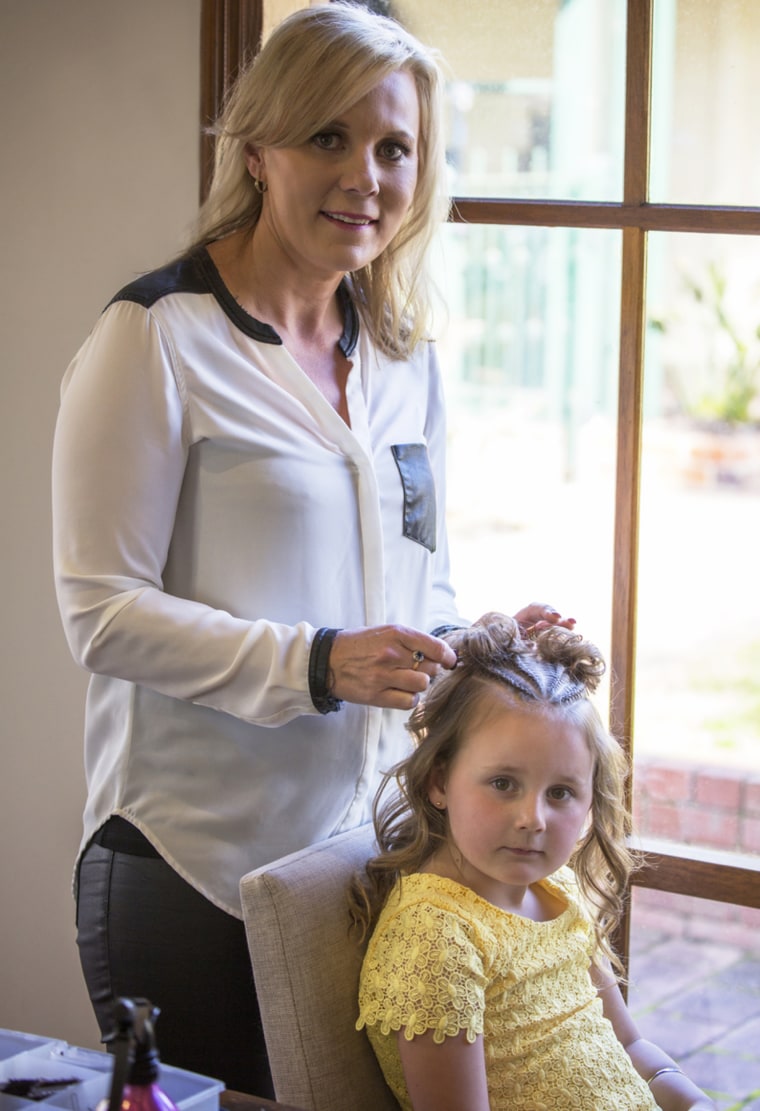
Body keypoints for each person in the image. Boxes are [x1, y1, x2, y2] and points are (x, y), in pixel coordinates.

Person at [52, 3, 574, 1097]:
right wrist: (315, 662)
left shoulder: (401, 359)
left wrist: (479, 642)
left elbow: (416, 584)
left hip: (361, 860)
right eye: (327, 138)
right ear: (258, 150)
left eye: (394, 147)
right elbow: (98, 611)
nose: (365, 176)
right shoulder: (154, 338)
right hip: (185, 863)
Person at [352, 614, 716, 1111]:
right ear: (439, 782)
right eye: (503, 783)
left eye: (561, 792)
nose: (533, 818)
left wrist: (696, 1104)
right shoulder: (435, 938)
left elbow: (630, 1048)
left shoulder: (557, 889)